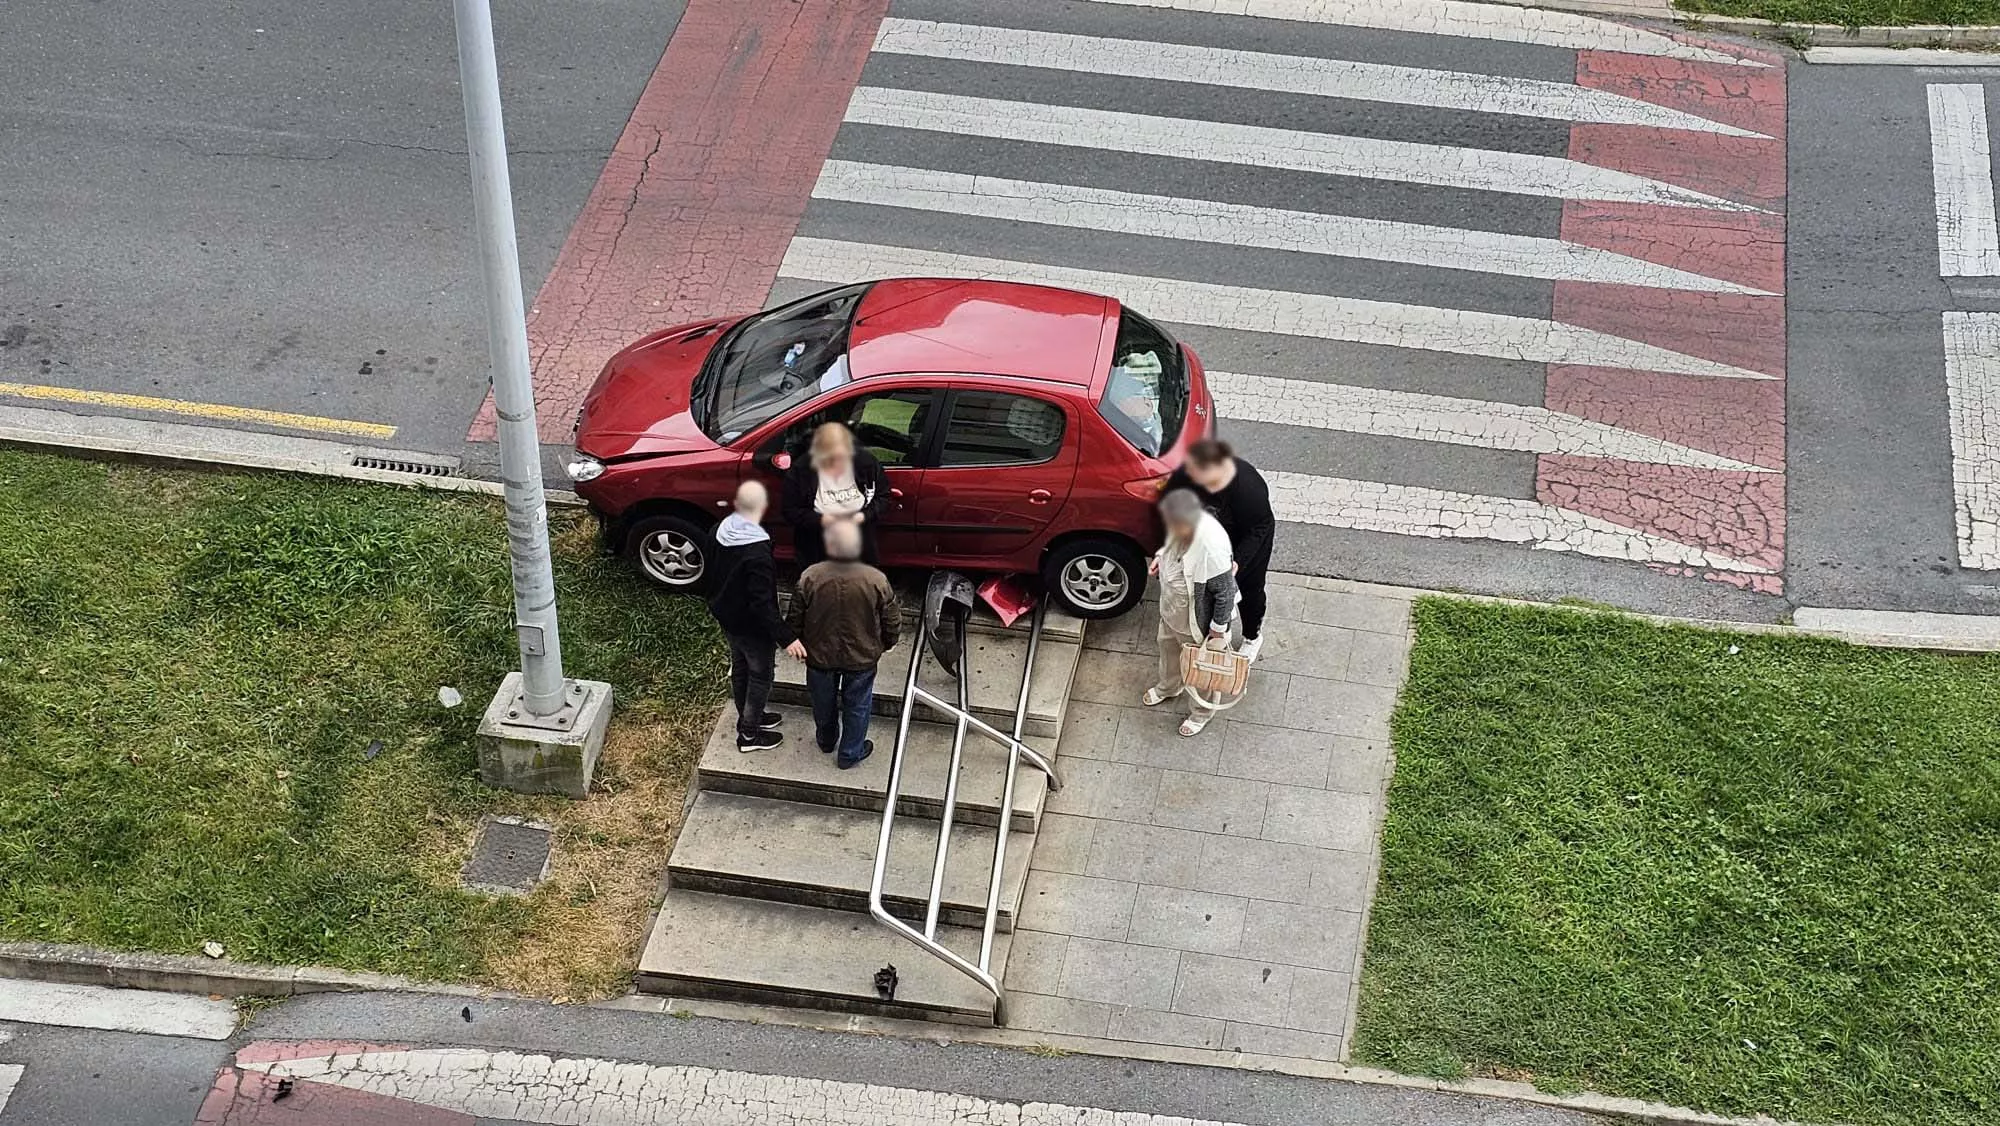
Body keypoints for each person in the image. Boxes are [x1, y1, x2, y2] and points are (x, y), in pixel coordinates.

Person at [786, 520, 901, 769]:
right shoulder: (876, 580)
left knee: (822, 702)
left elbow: (795, 617)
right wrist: (887, 643)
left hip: (818, 656)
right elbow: (892, 620)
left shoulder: (810, 577)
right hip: (862, 657)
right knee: (858, 704)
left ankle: (826, 740)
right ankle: (850, 751)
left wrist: (796, 641)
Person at [706, 481, 808, 751]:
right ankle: (749, 735)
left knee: (741, 668)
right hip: (752, 627)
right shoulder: (757, 552)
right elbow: (763, 603)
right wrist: (787, 638)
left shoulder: (719, 530)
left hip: (727, 616)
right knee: (761, 676)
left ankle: (748, 717)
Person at [1167, 439, 1275, 662]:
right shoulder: (1185, 476)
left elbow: (1260, 527)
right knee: (1205, 588)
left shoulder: (1247, 487)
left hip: (1246, 538)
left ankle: (1252, 636)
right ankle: (1212, 628)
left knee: (1249, 590)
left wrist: (1239, 562)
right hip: (1206, 537)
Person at [1144, 488, 1239, 738]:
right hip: (1171, 611)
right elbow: (1169, 545)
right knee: (1167, 649)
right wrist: (1161, 557)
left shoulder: (1212, 549)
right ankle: (1169, 687)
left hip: (1195, 623)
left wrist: (1217, 633)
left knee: (1202, 671)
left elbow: (1225, 594)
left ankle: (1201, 713)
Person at [782, 421, 891, 568]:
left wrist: (863, 516)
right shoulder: (801, 471)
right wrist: (822, 520)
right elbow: (790, 510)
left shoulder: (866, 463)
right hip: (816, 546)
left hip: (860, 544)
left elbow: (883, 496)